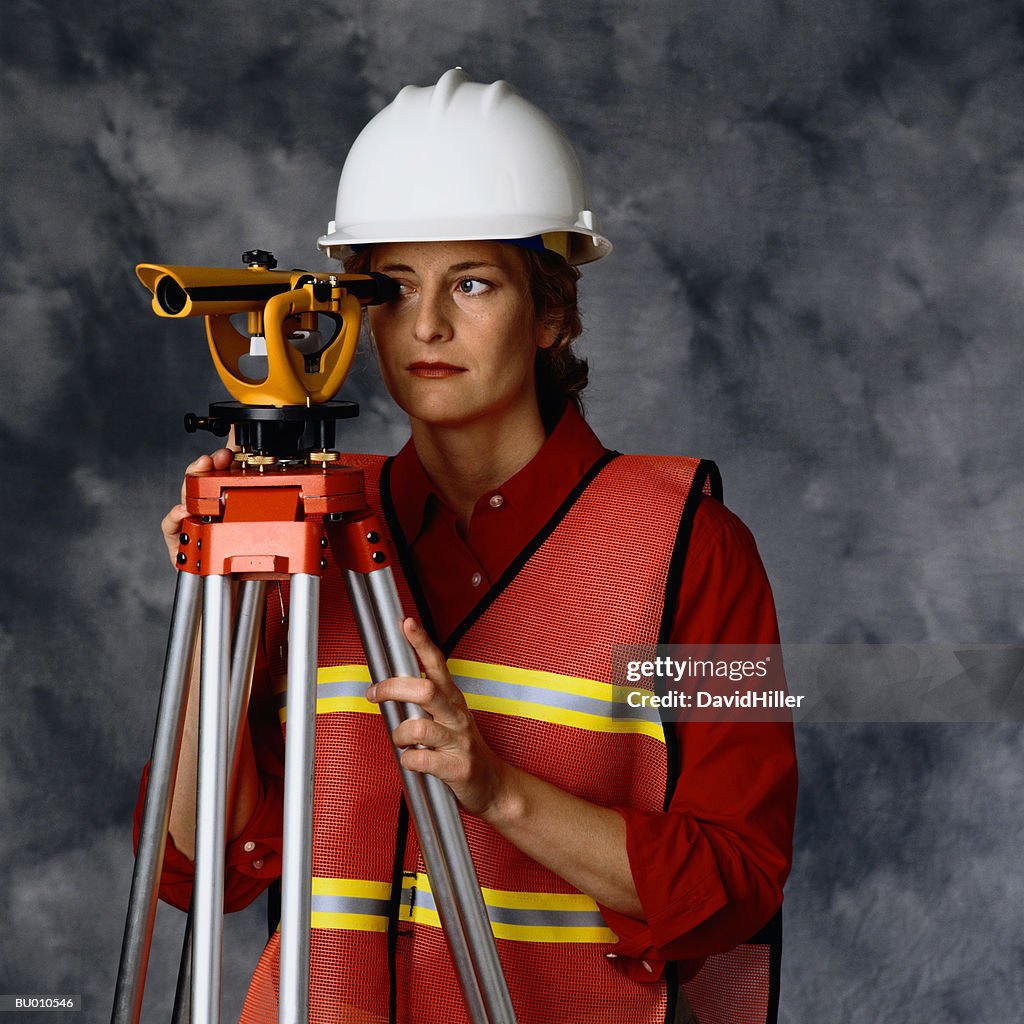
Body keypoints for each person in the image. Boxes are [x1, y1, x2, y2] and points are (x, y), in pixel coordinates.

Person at [137, 69, 797, 1024]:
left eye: (473, 284)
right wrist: (224, 609)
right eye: (393, 288)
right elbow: (200, 867)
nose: (429, 326)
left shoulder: (696, 546)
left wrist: (497, 789)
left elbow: (737, 881)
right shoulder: (304, 523)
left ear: (555, 312)